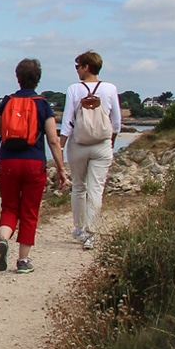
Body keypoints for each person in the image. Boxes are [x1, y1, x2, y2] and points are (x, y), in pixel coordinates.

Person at [0, 58, 66, 274]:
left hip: (8, 161)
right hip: (33, 162)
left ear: (18, 77)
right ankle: (23, 261)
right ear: (38, 78)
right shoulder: (43, 104)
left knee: (9, 207)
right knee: (29, 211)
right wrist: (61, 168)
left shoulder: (7, 101)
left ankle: (3, 239)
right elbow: (53, 140)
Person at [59, 50, 122, 250]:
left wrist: (59, 145)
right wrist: (111, 141)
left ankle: (78, 228)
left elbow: (68, 121)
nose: (77, 70)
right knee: (96, 189)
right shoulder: (110, 89)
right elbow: (116, 122)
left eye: (78, 66)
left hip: (79, 144)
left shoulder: (74, 89)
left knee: (79, 187)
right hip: (102, 144)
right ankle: (91, 234)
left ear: (86, 67)